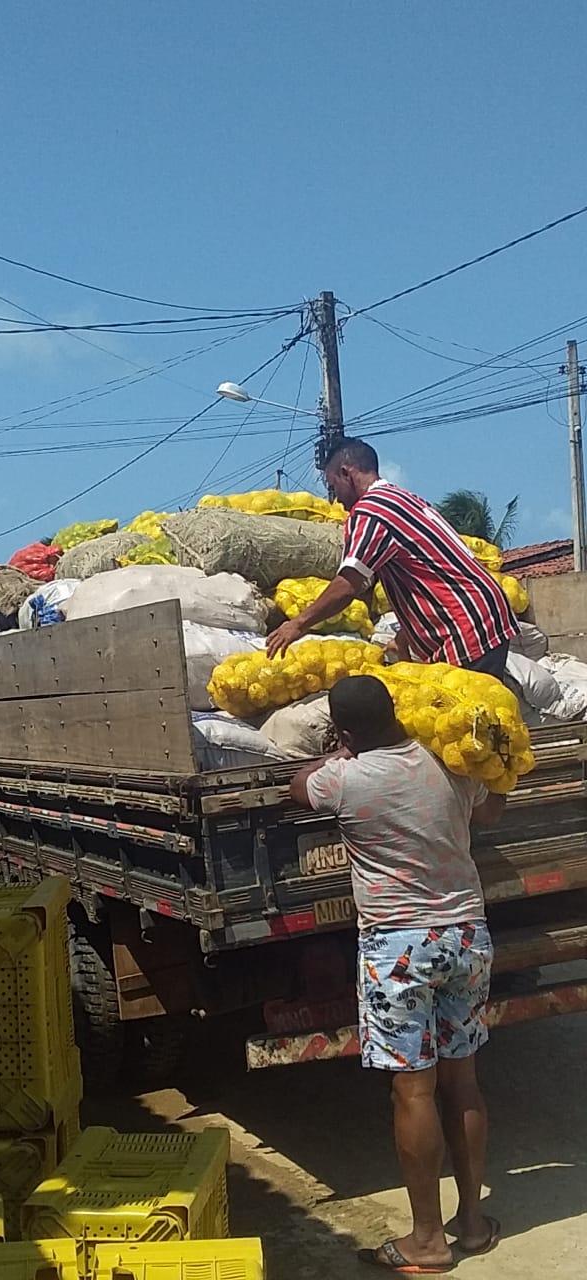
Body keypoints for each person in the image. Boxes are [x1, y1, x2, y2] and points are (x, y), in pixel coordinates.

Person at [290, 675, 504, 1275]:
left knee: (414, 1091)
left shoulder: (346, 779)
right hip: (466, 935)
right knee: (463, 1081)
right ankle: (472, 1223)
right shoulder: (446, 764)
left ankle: (428, 1242)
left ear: (347, 732)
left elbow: (296, 787)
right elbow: (490, 812)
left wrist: (334, 755)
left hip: (398, 948)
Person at [267, 438, 518, 678]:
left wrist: (298, 624)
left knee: (467, 714)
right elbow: (423, 573)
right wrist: (403, 638)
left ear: (347, 473)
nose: (335, 499)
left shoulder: (371, 512)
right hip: (481, 612)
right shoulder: (402, 499)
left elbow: (348, 584)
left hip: (465, 623)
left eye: (333, 487)